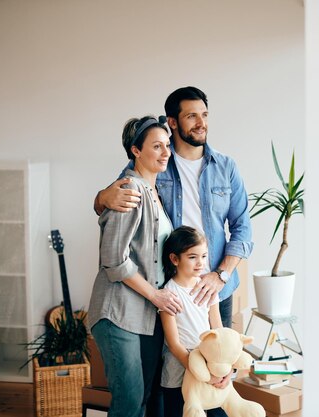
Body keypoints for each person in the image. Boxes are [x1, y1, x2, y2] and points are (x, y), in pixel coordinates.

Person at [94, 86, 253, 328]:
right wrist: (102, 196)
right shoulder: (156, 162)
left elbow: (243, 229)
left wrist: (220, 276)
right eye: (191, 116)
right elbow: (113, 198)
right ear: (173, 122)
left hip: (216, 290)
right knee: (174, 363)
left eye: (205, 115)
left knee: (220, 360)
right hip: (171, 291)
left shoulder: (226, 166)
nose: (201, 123)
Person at [88, 115, 181, 417]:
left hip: (143, 316)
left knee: (141, 401)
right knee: (129, 403)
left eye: (167, 145)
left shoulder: (153, 191)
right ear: (135, 150)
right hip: (118, 313)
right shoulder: (130, 190)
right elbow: (114, 259)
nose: (166, 152)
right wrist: (156, 296)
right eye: (157, 146)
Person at [159, 226, 229, 417]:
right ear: (175, 259)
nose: (200, 263)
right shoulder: (169, 293)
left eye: (204, 256)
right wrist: (201, 372)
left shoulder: (207, 288)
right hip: (179, 370)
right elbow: (173, 343)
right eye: (192, 257)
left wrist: (221, 370)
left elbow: (218, 330)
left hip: (208, 361)